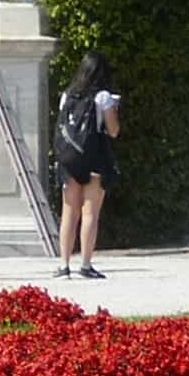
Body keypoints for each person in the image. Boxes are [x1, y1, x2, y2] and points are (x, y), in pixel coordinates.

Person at [53, 50, 120, 280]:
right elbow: (113, 131)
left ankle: (63, 265)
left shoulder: (67, 95)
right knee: (90, 212)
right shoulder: (103, 98)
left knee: (69, 212)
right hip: (95, 157)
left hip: (70, 158)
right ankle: (85, 264)